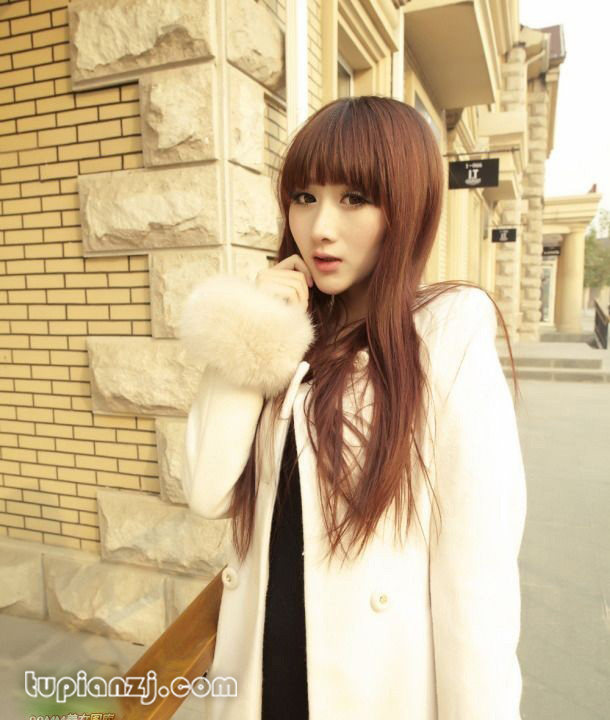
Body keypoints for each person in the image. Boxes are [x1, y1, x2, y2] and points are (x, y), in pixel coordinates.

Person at [179, 96, 527, 720]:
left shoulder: (445, 338)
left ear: (406, 209)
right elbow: (207, 492)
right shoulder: (285, 331)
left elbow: (477, 586)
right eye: (305, 197)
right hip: (261, 682)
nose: (320, 228)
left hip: (370, 692)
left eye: (354, 199)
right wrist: (256, 325)